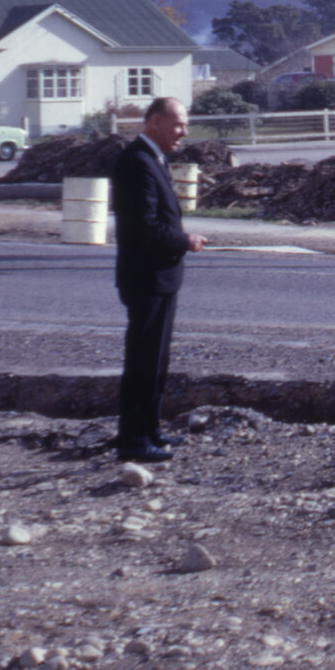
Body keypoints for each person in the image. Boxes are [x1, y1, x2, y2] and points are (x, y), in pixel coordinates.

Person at [111, 97, 205, 463]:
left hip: (161, 276)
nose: (184, 132)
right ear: (154, 122)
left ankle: (149, 429)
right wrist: (184, 240)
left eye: (185, 124)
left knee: (156, 359)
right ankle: (133, 440)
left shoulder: (154, 159)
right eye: (178, 124)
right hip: (146, 276)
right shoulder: (136, 162)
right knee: (142, 361)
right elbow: (144, 227)